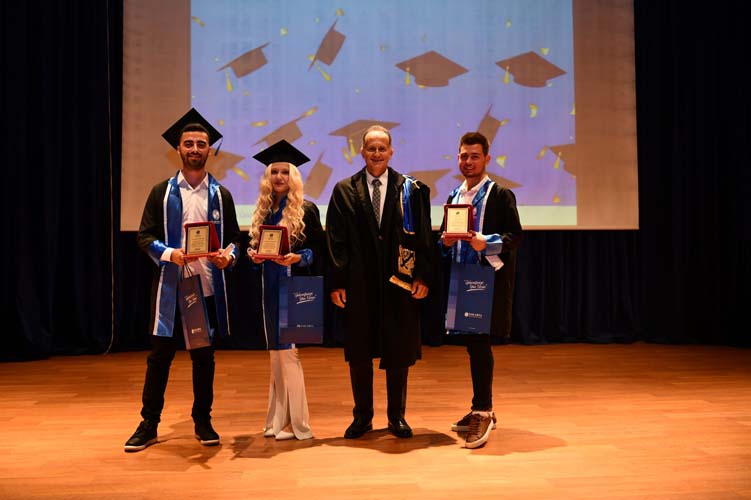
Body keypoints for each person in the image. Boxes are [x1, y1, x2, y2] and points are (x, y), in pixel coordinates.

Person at [124, 109, 242, 452]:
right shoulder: (161, 192)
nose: (195, 149)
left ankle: (202, 420)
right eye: (188, 143)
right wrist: (170, 253)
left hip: (205, 288)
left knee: (203, 359)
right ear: (178, 149)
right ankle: (149, 423)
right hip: (170, 288)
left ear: (209, 150)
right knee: (159, 357)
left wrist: (228, 257)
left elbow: (235, 238)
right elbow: (145, 237)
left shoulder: (221, 195)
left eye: (201, 144)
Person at [326, 125, 433, 439]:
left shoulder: (410, 190)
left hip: (399, 283)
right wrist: (337, 282)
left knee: (398, 350)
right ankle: (362, 417)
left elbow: (424, 236)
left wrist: (422, 276)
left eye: (382, 148)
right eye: (371, 148)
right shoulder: (344, 190)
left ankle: (397, 416)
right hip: (358, 284)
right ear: (362, 152)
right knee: (360, 352)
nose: (376, 153)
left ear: (391, 152)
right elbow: (336, 240)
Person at [439, 131, 522, 449]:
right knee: (473, 345)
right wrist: (445, 242)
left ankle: (483, 410)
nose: (468, 161)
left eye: (474, 156)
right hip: (462, 277)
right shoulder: (454, 195)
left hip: (488, 280)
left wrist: (486, 242)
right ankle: (481, 407)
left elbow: (515, 236)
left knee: (480, 344)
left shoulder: (500, 194)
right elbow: (446, 238)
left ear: (487, 158)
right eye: (464, 156)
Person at [247, 139, 323, 441]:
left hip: (293, 289)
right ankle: (277, 420)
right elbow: (259, 250)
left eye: (284, 172)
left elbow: (318, 252)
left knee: (289, 356)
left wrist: (298, 257)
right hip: (268, 287)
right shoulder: (266, 211)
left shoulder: (306, 210)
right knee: (275, 356)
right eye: (274, 172)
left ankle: (299, 425)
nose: (279, 177)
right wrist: (254, 256)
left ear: (294, 176)